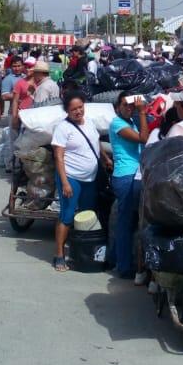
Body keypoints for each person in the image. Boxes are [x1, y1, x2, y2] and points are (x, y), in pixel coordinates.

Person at [50, 93, 105, 273]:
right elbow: (58, 156)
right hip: (72, 178)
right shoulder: (63, 128)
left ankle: (82, 252)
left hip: (90, 178)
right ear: (67, 111)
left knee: (86, 215)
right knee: (66, 216)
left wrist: (104, 159)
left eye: (80, 107)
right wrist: (65, 182)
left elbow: (96, 143)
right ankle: (59, 255)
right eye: (73, 109)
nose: (78, 111)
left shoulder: (89, 123)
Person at [108, 94, 150, 280]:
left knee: (128, 221)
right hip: (125, 176)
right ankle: (123, 267)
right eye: (125, 105)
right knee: (125, 222)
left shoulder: (130, 123)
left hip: (133, 174)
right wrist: (142, 113)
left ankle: (118, 259)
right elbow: (143, 138)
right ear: (117, 107)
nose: (129, 108)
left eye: (131, 106)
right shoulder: (117, 124)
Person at [0, 57, 26, 172]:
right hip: (13, 113)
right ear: (11, 67)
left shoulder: (26, 77)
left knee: (23, 140)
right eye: (14, 66)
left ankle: (20, 164)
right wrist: (18, 96)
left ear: (23, 66)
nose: (17, 68)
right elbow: (4, 96)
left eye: (19, 65)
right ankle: (10, 164)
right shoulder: (8, 79)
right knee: (13, 140)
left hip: (26, 114)